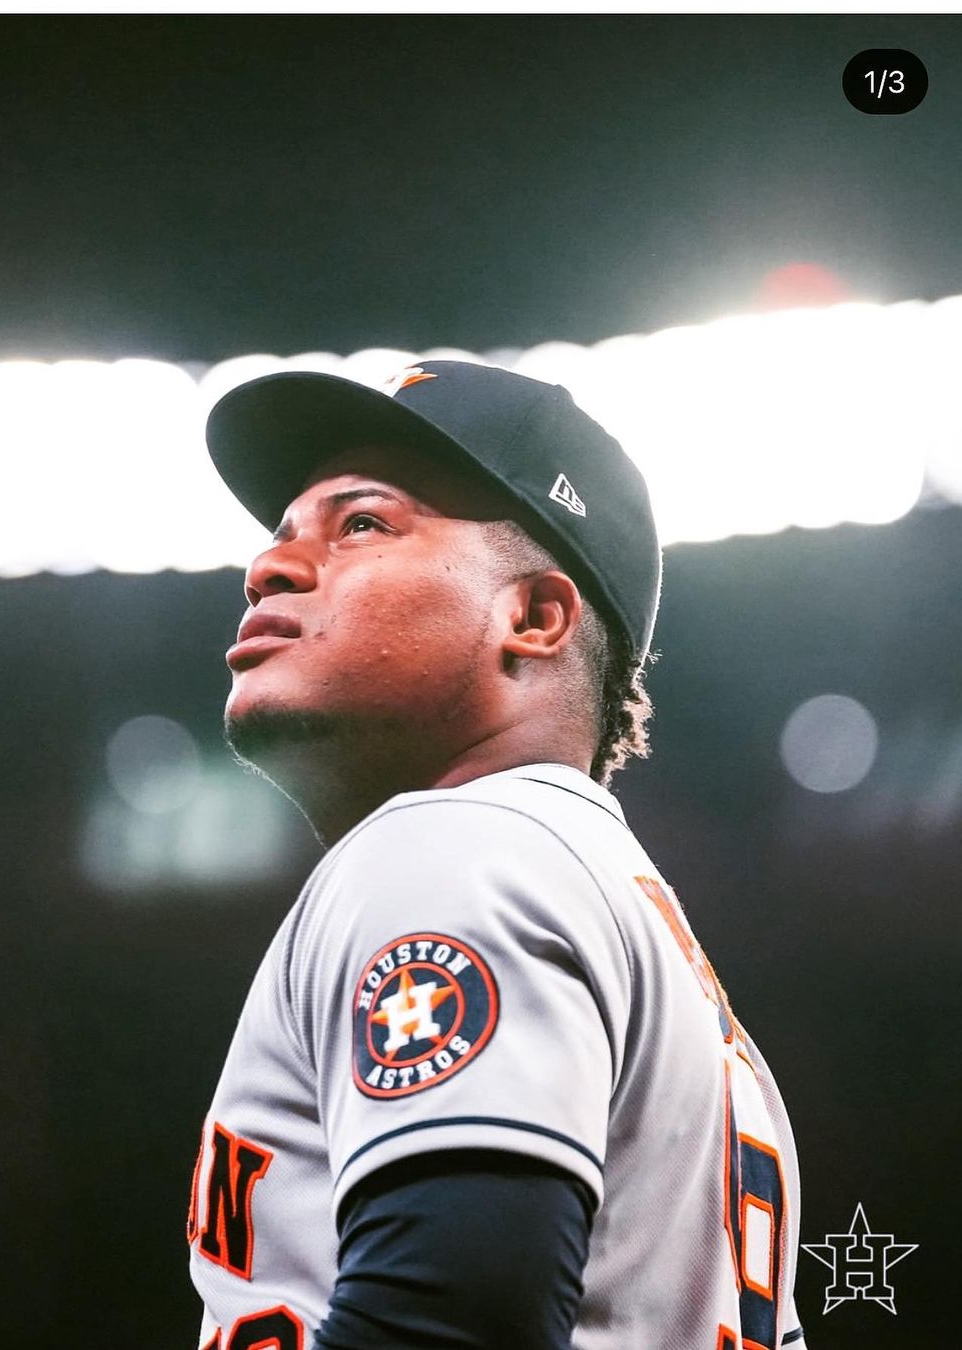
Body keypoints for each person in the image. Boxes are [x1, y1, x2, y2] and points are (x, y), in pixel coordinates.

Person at [187, 359, 806, 1350]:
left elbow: (453, 1322)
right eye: (281, 533)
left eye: (362, 523)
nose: (268, 568)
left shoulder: (453, 846)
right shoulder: (629, 922)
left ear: (533, 617)